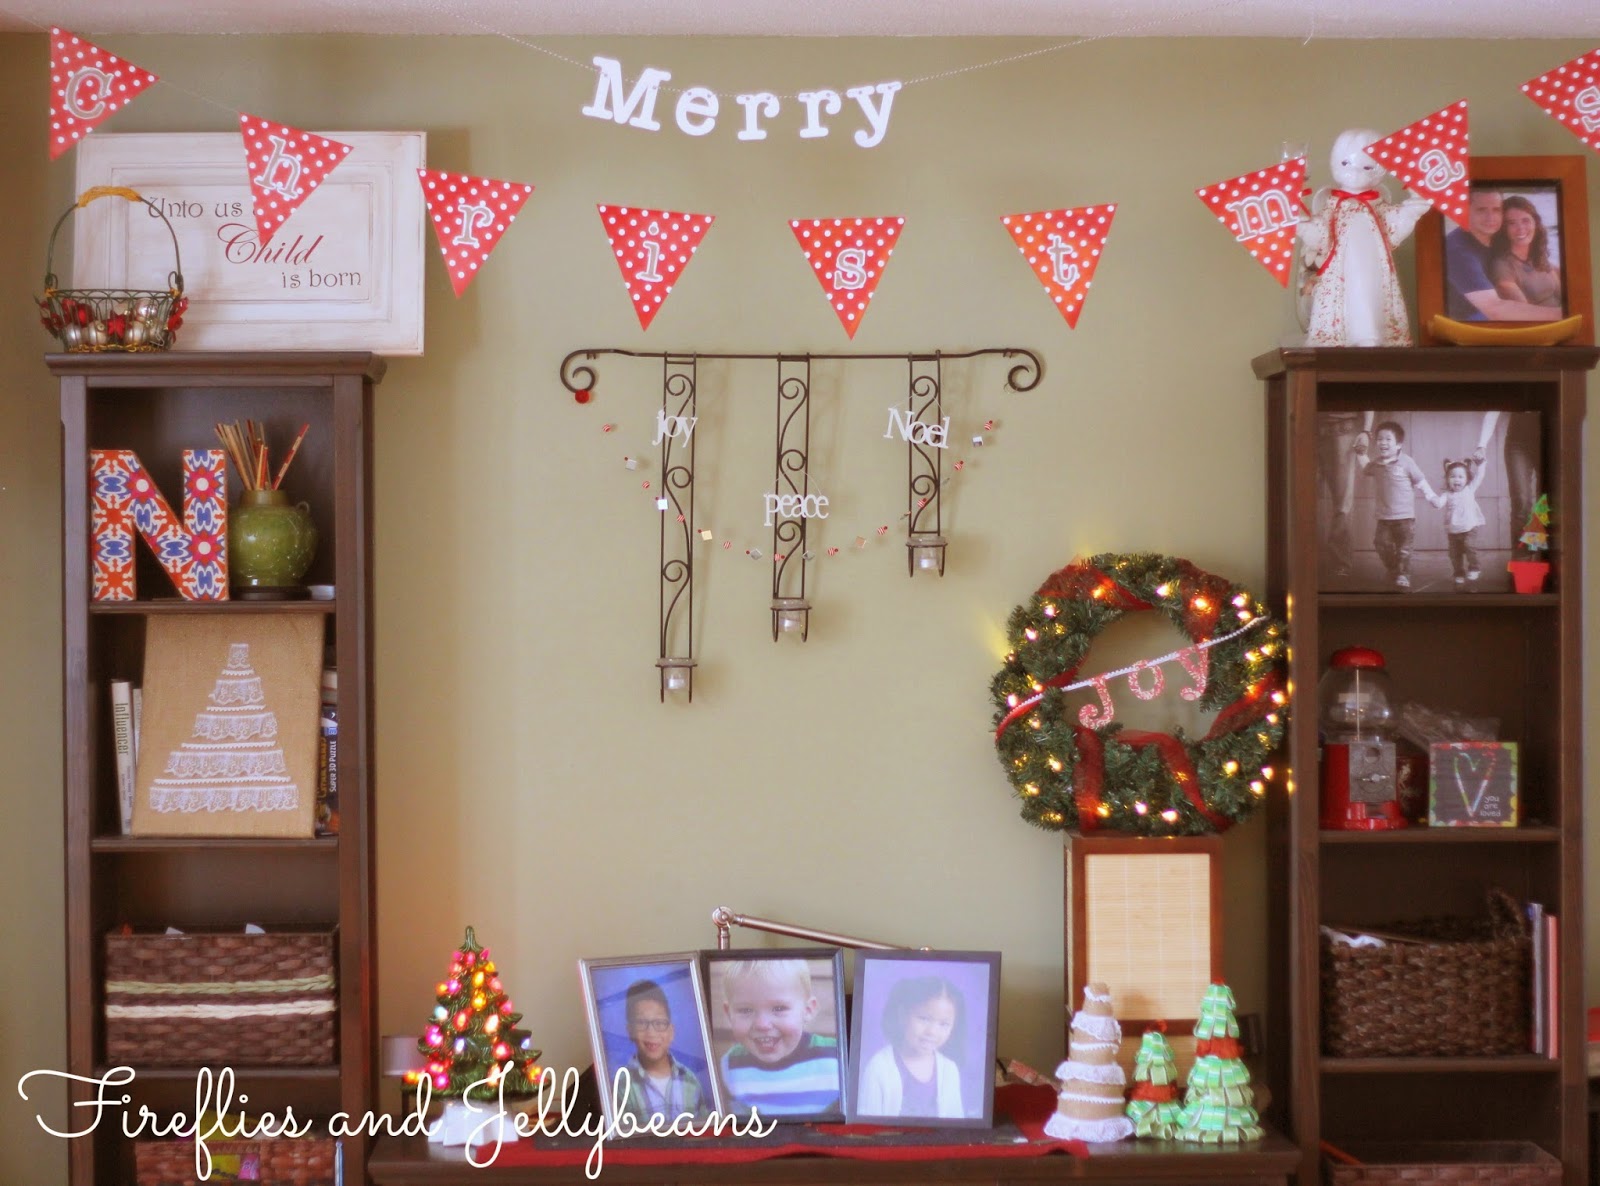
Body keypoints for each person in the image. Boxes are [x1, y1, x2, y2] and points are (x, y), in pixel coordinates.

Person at [716, 959, 841, 1117]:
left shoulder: (837, 1057)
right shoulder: (729, 1067)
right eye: (745, 1010)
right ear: (729, 1014)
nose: (762, 1024)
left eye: (779, 1008)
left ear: (808, 1010)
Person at [857, 976, 967, 1119]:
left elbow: (957, 1121)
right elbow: (866, 1123)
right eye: (924, 1018)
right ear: (902, 1015)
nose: (932, 1032)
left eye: (943, 1024)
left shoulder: (949, 1070)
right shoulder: (879, 1068)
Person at [1444, 189, 1561, 322]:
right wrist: (1564, 314)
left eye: (1496, 210)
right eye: (1481, 210)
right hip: (1468, 321)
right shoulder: (1458, 251)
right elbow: (1494, 309)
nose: (1490, 217)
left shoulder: (1494, 236)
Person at [1353, 420, 1439, 591]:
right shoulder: (1376, 464)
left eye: (1388, 439)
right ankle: (1394, 568)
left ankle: (1403, 574)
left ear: (1399, 444)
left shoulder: (1406, 462)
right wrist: (1360, 454)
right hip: (1384, 517)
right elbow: (1366, 468)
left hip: (1405, 517)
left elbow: (1420, 481)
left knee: (1404, 549)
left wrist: (1432, 497)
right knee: (1381, 544)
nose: (1382, 442)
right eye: (1379, 439)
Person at [613, 979, 711, 1125]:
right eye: (641, 1023)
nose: (651, 1032)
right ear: (630, 1031)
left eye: (659, 1023)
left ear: (671, 1032)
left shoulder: (691, 1081)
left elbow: (705, 1130)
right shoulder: (622, 1086)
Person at [1488, 195, 1562, 312]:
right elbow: (1526, 313)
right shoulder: (1502, 266)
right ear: (1503, 229)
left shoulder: (1537, 255)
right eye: (1512, 223)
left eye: (1525, 220)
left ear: (1535, 223)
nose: (1520, 228)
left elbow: (1561, 295)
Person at [1428, 457, 1487, 586]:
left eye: (1461, 477)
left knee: (1470, 547)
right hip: (1453, 530)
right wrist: (1432, 499)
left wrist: (1481, 464)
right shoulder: (1446, 494)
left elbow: (1479, 476)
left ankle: (1474, 567)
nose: (1456, 479)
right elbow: (1439, 504)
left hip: (1470, 527)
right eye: (1452, 476)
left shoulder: (1469, 489)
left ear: (1467, 479)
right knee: (1454, 554)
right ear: (1447, 479)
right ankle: (1459, 572)